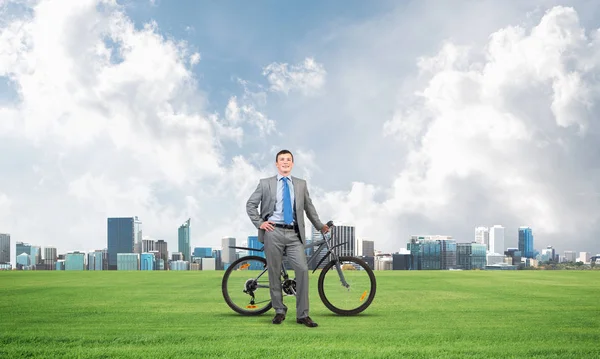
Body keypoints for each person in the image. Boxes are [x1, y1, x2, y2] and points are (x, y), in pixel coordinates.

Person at [246, 149, 329, 328]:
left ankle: (303, 315)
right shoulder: (265, 183)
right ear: (277, 164)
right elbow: (251, 205)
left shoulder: (300, 184)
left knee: (302, 270)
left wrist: (320, 225)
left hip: (294, 234)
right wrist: (260, 223)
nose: (285, 162)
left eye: (288, 160)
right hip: (273, 232)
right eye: (282, 159)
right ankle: (279, 311)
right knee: (274, 272)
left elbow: (309, 208)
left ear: (292, 164)